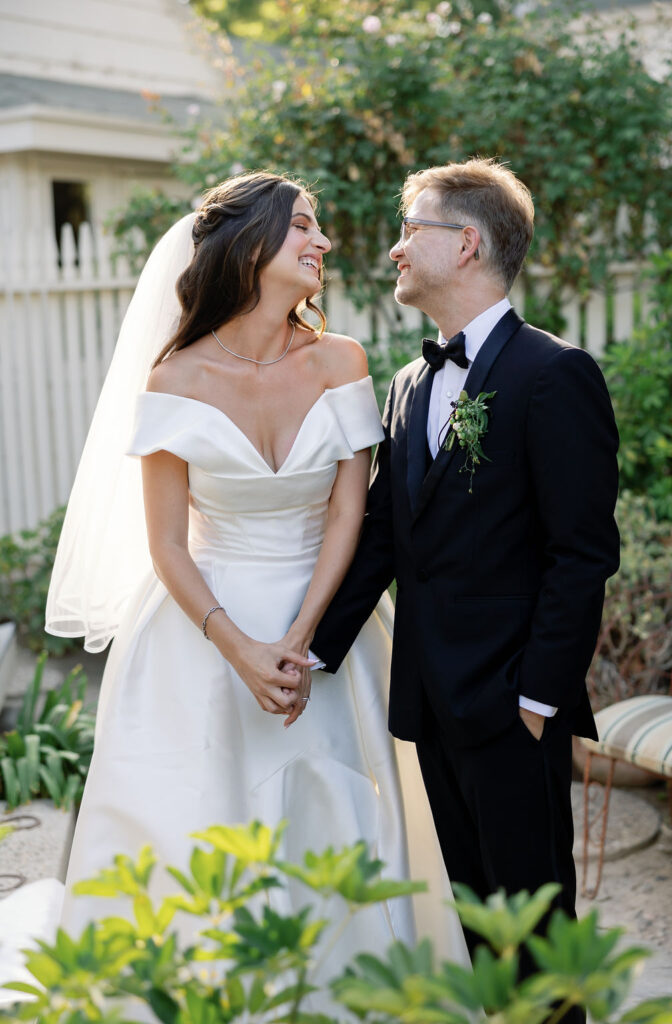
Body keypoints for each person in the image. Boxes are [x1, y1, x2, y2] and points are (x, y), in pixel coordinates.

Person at [43, 172, 467, 1012]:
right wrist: (239, 646)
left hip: (330, 629)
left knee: (342, 817)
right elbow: (166, 543)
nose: (322, 243)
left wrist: (304, 637)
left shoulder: (340, 359)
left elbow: (351, 507)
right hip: (200, 637)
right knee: (203, 826)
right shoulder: (174, 381)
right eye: (304, 227)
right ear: (250, 246)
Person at [311, 158, 620, 1020]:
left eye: (411, 228)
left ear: (467, 241)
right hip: (431, 706)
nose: (396, 248)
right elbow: (381, 538)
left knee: (538, 942)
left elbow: (582, 554)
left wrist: (536, 698)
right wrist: (307, 648)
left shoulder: (555, 375)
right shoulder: (411, 384)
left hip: (512, 705)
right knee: (483, 934)